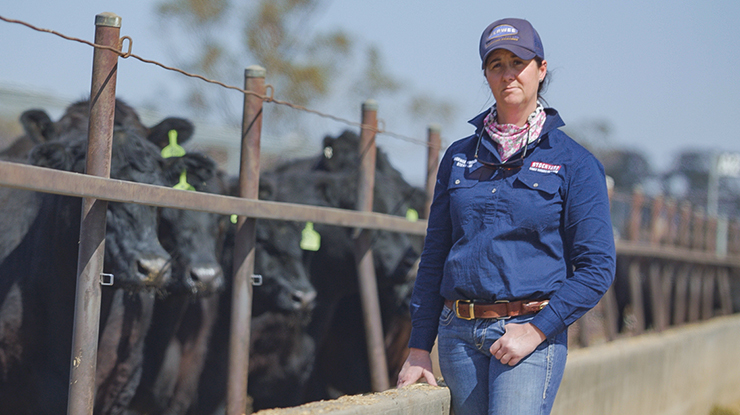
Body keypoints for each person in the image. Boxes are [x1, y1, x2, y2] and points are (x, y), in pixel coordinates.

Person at [396, 17, 616, 415]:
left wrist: (535, 331)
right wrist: (418, 347)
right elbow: (435, 254)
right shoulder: (459, 157)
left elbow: (597, 267)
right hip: (458, 336)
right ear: (486, 74)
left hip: (529, 335)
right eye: (496, 64)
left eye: (519, 62)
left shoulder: (575, 163)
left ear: (541, 69)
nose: (508, 73)